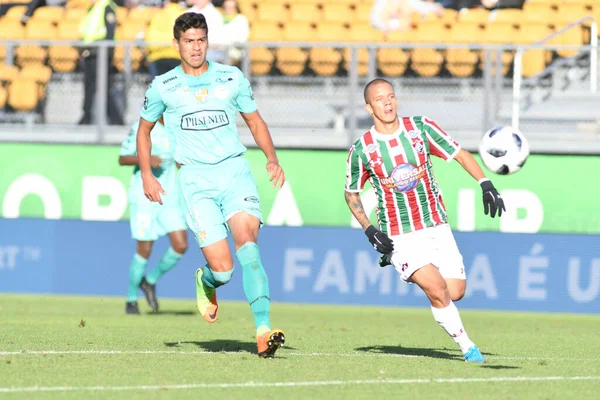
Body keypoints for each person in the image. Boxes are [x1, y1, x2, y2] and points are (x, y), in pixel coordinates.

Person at [135, 12, 286, 358]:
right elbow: (144, 130)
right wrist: (146, 174)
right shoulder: (163, 87)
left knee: (248, 246)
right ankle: (206, 281)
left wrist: (272, 158)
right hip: (195, 180)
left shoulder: (231, 77)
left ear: (208, 41)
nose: (195, 47)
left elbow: (254, 120)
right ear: (176, 44)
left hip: (234, 172)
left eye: (201, 40)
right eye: (188, 41)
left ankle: (263, 330)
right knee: (224, 270)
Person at [344, 78, 505, 363]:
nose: (388, 103)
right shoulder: (362, 150)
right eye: (380, 99)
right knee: (436, 288)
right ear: (369, 107)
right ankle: (468, 347)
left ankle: (442, 306)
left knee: (455, 291)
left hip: (435, 225)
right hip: (399, 235)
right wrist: (369, 230)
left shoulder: (420, 128)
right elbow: (352, 194)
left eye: (391, 96)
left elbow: (459, 153)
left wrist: (485, 182)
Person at [119, 117, 188, 314]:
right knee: (145, 248)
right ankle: (131, 300)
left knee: (181, 245)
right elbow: (123, 158)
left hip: (169, 198)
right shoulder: (143, 127)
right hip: (145, 197)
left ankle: (149, 281)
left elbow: (179, 161)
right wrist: (147, 160)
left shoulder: (178, 128)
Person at [78, 0, 124, 125]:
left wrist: (108, 54)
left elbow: (109, 32)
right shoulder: (93, 8)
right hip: (90, 54)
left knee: (103, 87)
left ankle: (113, 119)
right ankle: (91, 117)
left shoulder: (106, 7)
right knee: (92, 87)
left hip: (100, 54)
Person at [145, 0, 186, 78]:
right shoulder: (185, 16)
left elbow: (150, 39)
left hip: (158, 57)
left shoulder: (157, 16)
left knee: (161, 88)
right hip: (180, 58)